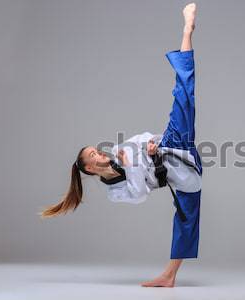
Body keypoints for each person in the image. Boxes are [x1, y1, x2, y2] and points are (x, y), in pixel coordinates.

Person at [39, 3, 201, 288]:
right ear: (89, 169)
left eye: (95, 150)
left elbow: (142, 140)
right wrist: (134, 165)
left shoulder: (117, 151)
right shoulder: (114, 191)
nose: (99, 154)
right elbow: (139, 194)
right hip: (182, 175)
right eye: (93, 155)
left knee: (183, 92)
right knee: (186, 219)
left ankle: (187, 30)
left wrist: (151, 147)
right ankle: (170, 275)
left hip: (174, 143)